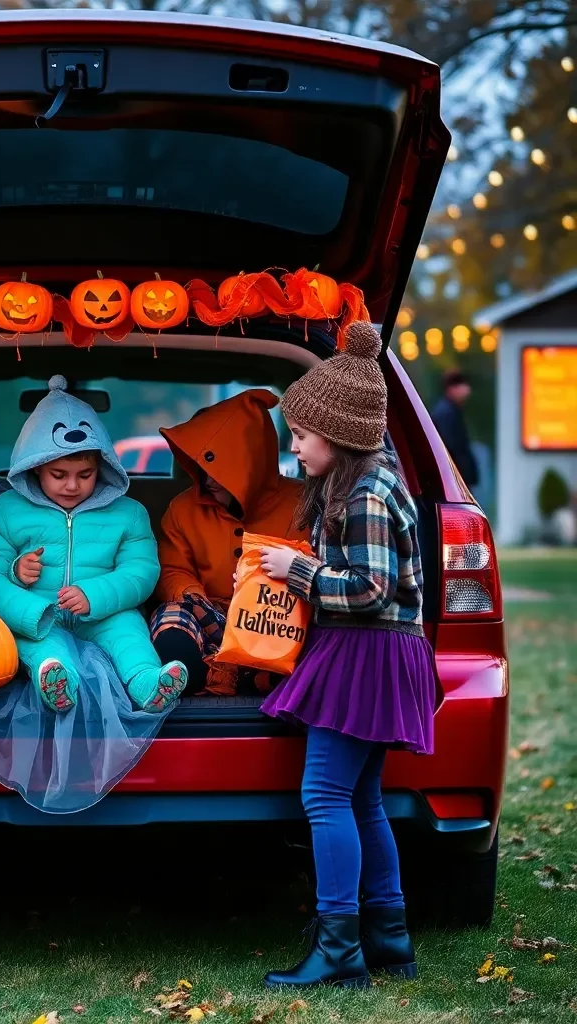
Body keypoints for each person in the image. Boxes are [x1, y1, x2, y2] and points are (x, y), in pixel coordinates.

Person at [254, 322, 437, 989]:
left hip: (367, 652)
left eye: (300, 435)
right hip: (378, 652)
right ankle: (388, 936)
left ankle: (339, 948)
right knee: (363, 798)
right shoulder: (370, 485)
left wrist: (295, 571)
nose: (294, 446)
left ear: (335, 434)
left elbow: (369, 589)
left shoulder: (365, 493)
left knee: (324, 793)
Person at [0, 375, 187, 714]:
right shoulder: (6, 510)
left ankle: (148, 683)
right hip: (38, 616)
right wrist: (16, 574)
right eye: (59, 475)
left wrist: (95, 594)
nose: (72, 485)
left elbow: (142, 571)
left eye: (85, 475)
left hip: (107, 612)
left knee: (129, 634)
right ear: (36, 468)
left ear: (101, 467)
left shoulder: (128, 513)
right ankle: (56, 681)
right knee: (42, 646)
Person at [150, 390, 305, 695]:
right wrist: (193, 597)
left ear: (250, 461)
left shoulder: (299, 503)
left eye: (219, 470)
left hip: (273, 619)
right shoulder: (183, 509)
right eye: (201, 468)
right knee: (171, 618)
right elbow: (172, 568)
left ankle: (266, 675)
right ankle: (184, 670)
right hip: (205, 613)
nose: (208, 479)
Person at [431, 369, 479, 488]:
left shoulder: (449, 410)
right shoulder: (446, 413)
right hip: (454, 480)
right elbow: (451, 447)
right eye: (463, 385)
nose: (467, 390)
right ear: (452, 388)